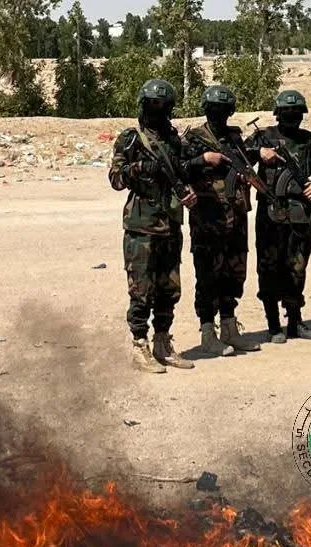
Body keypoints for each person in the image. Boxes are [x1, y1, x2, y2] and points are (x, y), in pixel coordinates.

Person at [109, 79, 197, 373]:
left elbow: (184, 172)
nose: (158, 112)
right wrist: (139, 168)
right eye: (153, 106)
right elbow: (115, 179)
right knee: (141, 289)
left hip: (170, 224)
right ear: (144, 107)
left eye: (163, 107)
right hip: (141, 226)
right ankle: (139, 345)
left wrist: (188, 190)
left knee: (169, 288)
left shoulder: (174, 140)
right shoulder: (131, 140)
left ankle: (163, 342)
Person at [182, 85, 261, 356]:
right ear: (206, 109)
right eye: (215, 109)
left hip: (235, 215)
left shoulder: (234, 137)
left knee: (234, 271)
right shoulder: (194, 138)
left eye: (224, 110)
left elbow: (246, 160)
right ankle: (207, 332)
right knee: (208, 274)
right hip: (208, 216)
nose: (220, 115)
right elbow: (178, 168)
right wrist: (202, 159)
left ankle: (229, 327)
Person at [245, 90, 311, 344]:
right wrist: (259, 154)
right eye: (287, 113)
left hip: (300, 213)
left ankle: (294, 320)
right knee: (269, 267)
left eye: (296, 113)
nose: (292, 118)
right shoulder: (263, 137)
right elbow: (236, 155)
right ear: (278, 114)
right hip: (270, 213)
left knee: (297, 267)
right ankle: (272, 324)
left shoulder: (310, 140)